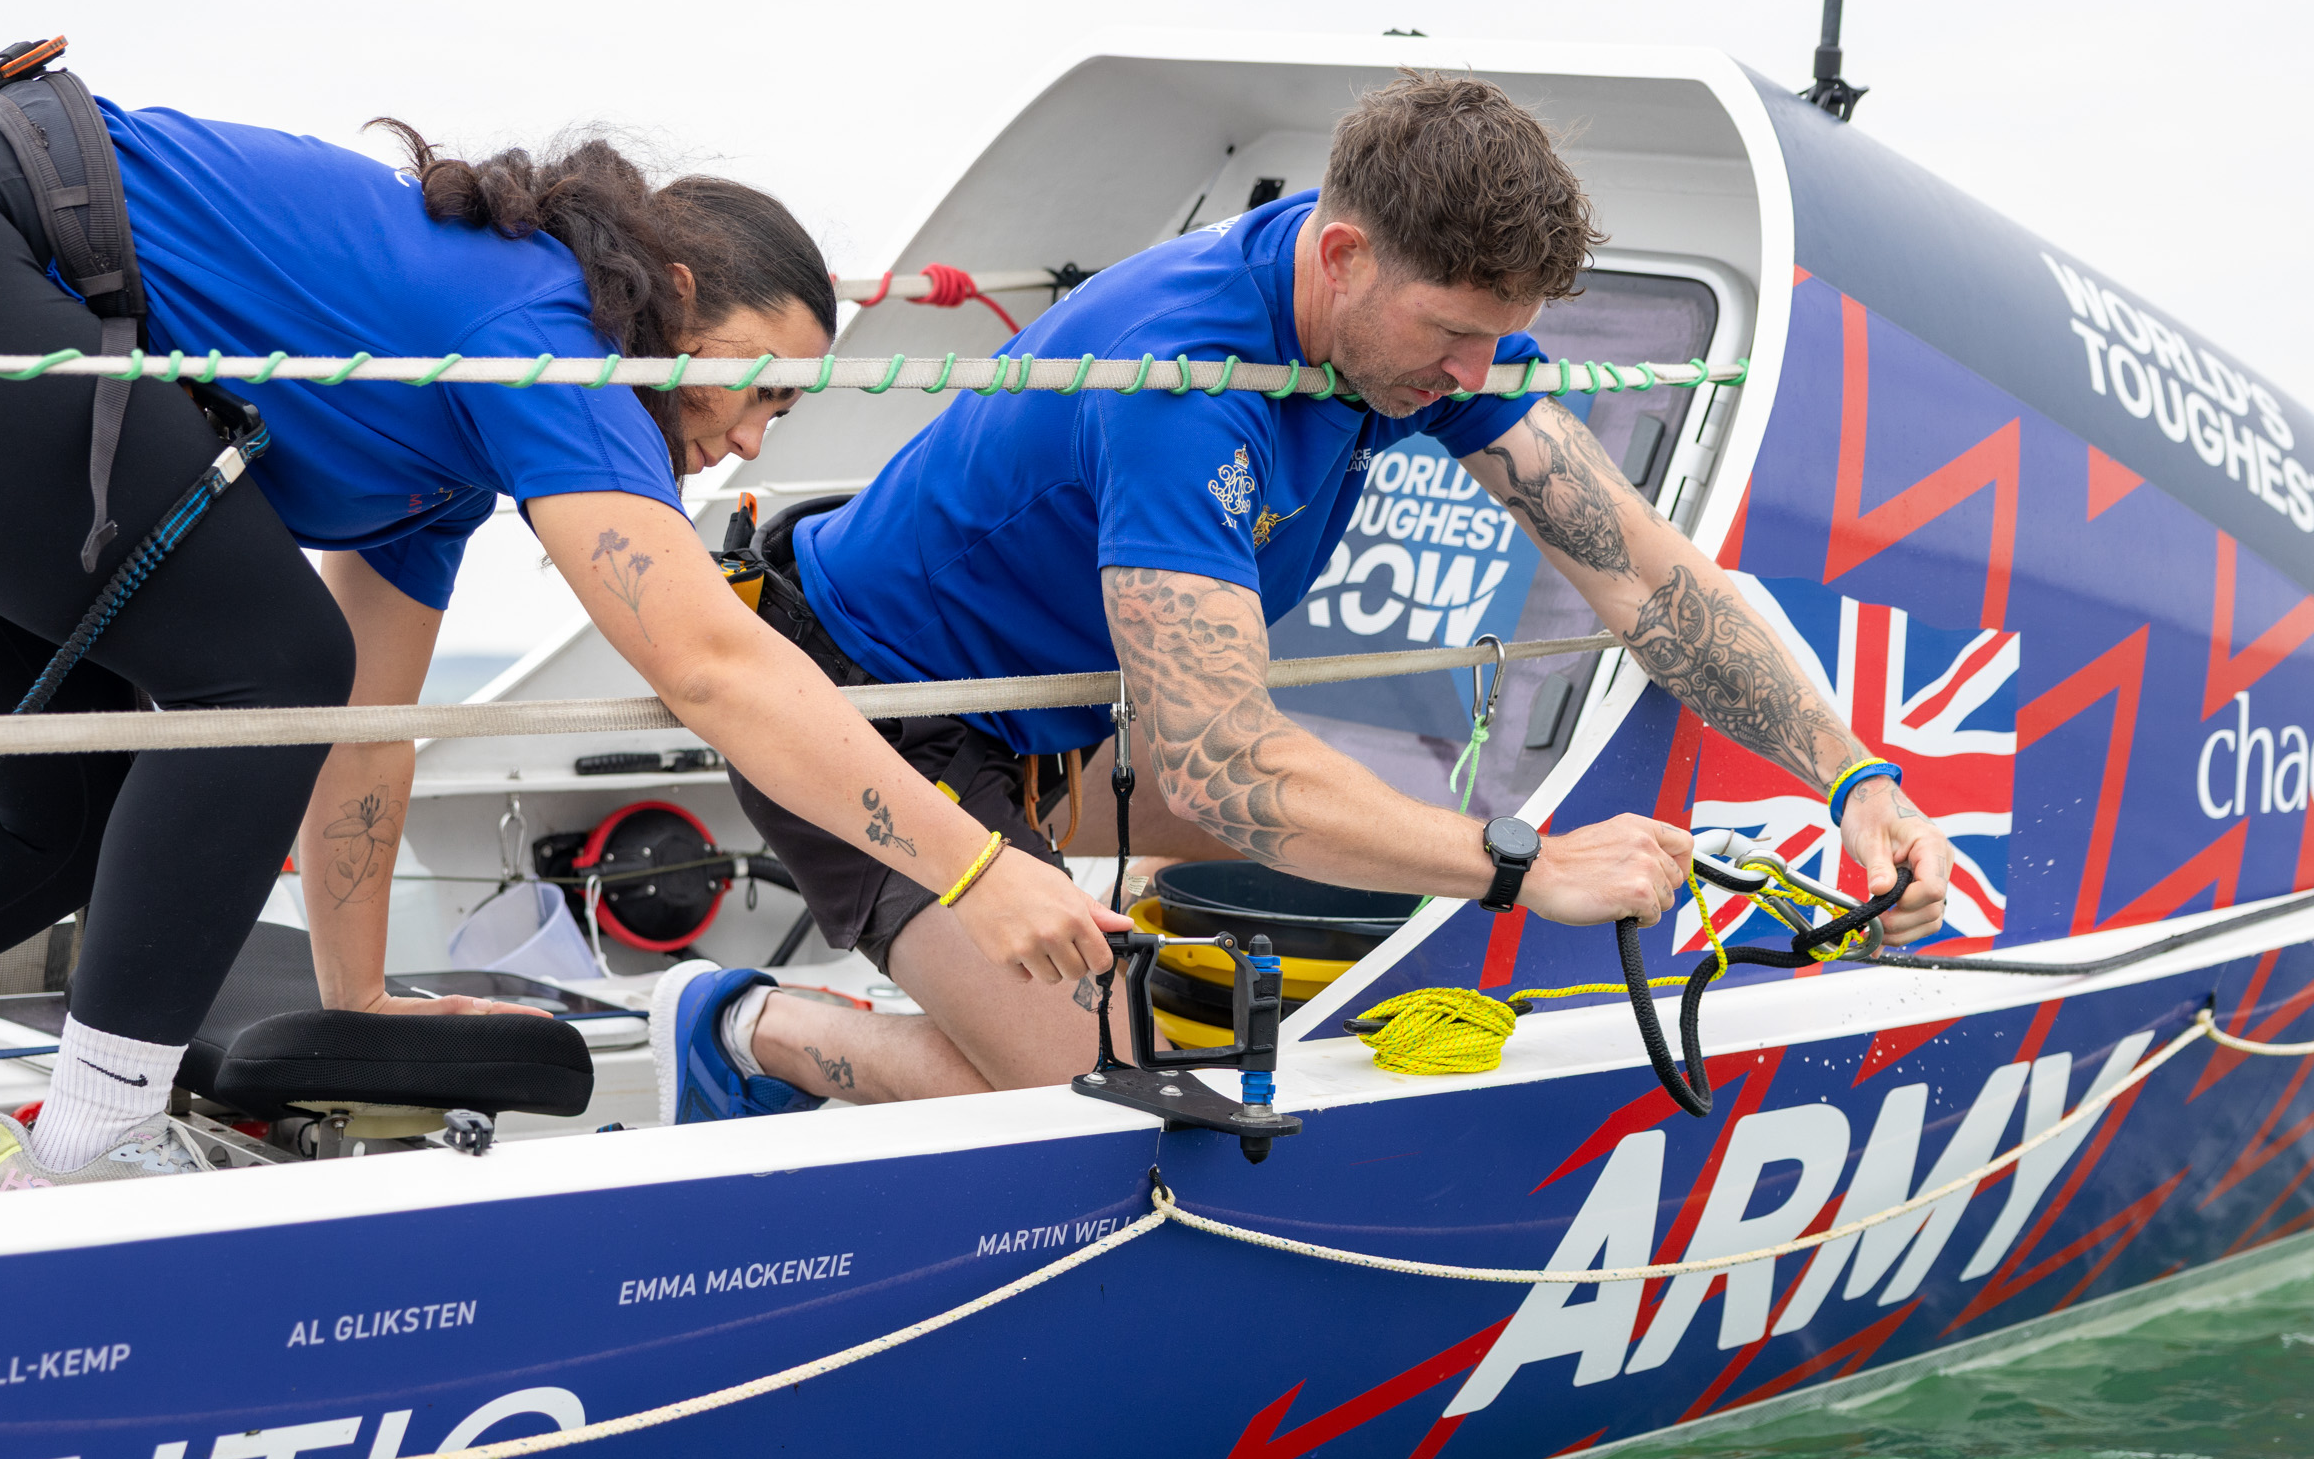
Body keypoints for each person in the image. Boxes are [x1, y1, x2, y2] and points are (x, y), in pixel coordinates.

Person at [0, 76, 1121, 1203]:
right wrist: (970, 869)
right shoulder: (539, 330)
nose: (739, 439)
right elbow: (713, 663)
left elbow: (360, 735)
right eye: (748, 382)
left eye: (781, 416)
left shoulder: (433, 450)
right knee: (254, 663)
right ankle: (90, 1142)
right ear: (666, 299)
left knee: (59, 797)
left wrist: (359, 995)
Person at [650, 72, 1956, 1118]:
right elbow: (1223, 768)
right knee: (1117, 1104)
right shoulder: (1188, 387)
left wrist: (1858, 781)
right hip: (868, 706)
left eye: (1494, 342)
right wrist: (1528, 866)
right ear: (1341, 256)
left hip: (1048, 708)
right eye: (1449, 336)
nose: (1470, 371)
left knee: (1310, 909)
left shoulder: (1421, 334)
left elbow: (1651, 586)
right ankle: (750, 1028)